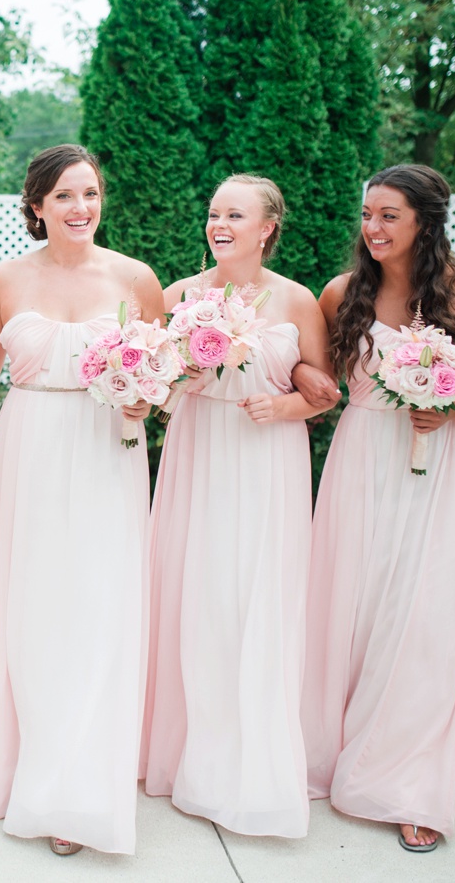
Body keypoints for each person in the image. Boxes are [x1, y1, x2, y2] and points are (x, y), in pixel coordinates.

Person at [297, 164, 455, 853]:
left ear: (425, 219)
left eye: (389, 215)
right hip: (359, 462)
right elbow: (316, 377)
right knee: (344, 612)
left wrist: (444, 408)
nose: (373, 228)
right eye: (368, 214)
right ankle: (320, 758)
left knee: (422, 622)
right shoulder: (340, 293)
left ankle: (412, 785)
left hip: (436, 470)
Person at [0, 145, 164, 856]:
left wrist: (143, 402)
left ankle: (87, 781)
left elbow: (157, 375)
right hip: (33, 443)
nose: (81, 209)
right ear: (37, 205)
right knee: (38, 605)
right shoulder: (7, 279)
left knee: (100, 606)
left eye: (91, 194)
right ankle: (37, 768)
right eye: (66, 196)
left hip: (110, 446)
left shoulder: (136, 278)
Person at [142, 174, 336, 838]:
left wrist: (284, 404)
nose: (219, 223)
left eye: (235, 214)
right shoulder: (179, 296)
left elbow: (322, 388)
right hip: (198, 452)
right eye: (214, 213)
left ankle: (250, 763)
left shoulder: (298, 300)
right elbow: (142, 359)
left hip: (264, 462)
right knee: (198, 599)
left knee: (255, 601)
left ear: (267, 228)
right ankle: (187, 756)